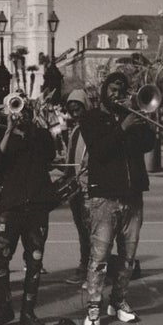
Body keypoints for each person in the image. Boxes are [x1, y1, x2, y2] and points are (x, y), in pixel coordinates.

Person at [78, 72, 154, 325]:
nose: (117, 93)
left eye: (122, 88)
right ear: (104, 90)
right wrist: (122, 128)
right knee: (99, 257)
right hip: (104, 197)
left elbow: (149, 144)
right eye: (113, 88)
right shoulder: (91, 118)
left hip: (132, 195)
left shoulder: (132, 117)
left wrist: (141, 118)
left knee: (128, 256)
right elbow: (99, 151)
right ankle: (93, 308)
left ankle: (119, 301)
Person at [0, 98, 55, 325]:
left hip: (36, 206)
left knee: (34, 260)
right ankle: (3, 310)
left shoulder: (40, 135)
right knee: (0, 259)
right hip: (11, 206)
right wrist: (10, 129)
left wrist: (35, 122)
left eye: (24, 104)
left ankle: (28, 311)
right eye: (15, 105)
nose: (20, 110)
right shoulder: (3, 136)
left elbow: (49, 156)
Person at [56, 87, 91, 283]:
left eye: (78, 108)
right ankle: (85, 265)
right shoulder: (77, 129)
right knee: (81, 230)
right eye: (72, 110)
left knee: (89, 231)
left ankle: (87, 269)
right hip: (75, 188)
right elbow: (73, 156)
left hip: (86, 188)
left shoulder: (91, 127)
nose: (75, 113)